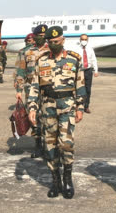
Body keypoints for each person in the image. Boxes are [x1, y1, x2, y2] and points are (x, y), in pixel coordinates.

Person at [28, 26, 86, 199]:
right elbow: (34, 86)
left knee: (66, 144)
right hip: (47, 107)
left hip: (67, 105)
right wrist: (32, 107)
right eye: (50, 42)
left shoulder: (74, 59)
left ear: (63, 40)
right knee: (51, 145)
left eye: (56, 41)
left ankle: (67, 179)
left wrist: (80, 107)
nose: (53, 44)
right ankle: (55, 181)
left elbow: (80, 86)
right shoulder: (41, 60)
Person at [15, 25, 49, 158]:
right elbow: (21, 71)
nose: (42, 38)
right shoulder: (27, 52)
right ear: (34, 36)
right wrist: (19, 89)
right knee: (34, 117)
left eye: (43, 35)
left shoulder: (50, 50)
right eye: (39, 35)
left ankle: (49, 145)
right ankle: (38, 145)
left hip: (47, 88)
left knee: (47, 115)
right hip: (31, 89)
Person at [77, 34, 98, 114]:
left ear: (87, 40)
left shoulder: (90, 49)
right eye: (82, 39)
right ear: (80, 40)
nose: (84, 41)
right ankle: (78, 106)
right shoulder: (76, 49)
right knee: (79, 89)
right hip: (80, 70)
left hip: (88, 70)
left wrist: (96, 70)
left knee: (88, 89)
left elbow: (94, 60)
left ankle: (86, 106)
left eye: (85, 39)